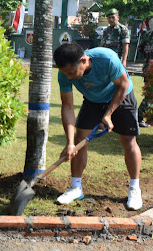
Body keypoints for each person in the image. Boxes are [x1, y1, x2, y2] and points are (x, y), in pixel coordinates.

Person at [53, 43, 143, 211]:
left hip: (121, 96)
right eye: (66, 74)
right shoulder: (64, 74)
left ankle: (134, 188)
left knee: (128, 141)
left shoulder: (106, 58)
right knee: (80, 139)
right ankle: (75, 187)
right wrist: (70, 143)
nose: (69, 78)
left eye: (72, 73)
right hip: (93, 100)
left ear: (84, 60)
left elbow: (123, 85)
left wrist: (108, 114)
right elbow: (67, 106)